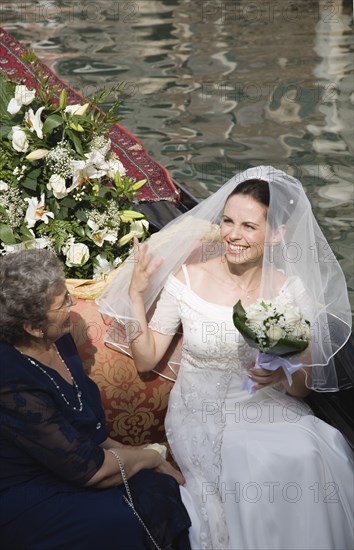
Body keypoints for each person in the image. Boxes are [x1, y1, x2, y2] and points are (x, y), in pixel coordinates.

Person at [98, 166, 354, 550]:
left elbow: (301, 390)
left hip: (268, 404)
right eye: (228, 221)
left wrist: (285, 373)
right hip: (202, 411)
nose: (233, 235)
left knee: (310, 450)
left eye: (249, 226)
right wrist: (136, 296)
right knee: (253, 464)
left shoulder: (292, 289)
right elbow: (146, 359)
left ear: (277, 233)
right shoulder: (186, 279)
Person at [0, 249, 191, 550]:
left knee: (157, 489)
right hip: (32, 493)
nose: (73, 303)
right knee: (118, 519)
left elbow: (91, 434)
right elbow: (91, 471)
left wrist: (140, 459)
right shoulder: (12, 382)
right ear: (33, 328)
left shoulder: (59, 338)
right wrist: (151, 456)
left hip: (79, 466)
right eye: (63, 302)